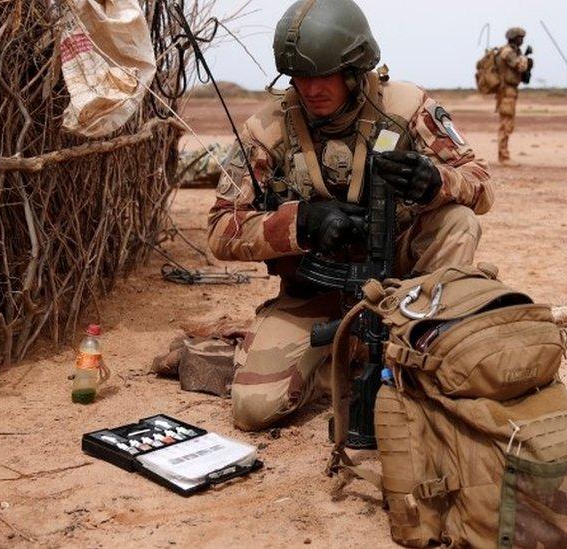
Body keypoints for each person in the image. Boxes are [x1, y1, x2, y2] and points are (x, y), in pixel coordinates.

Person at [206, 0, 494, 431]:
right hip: (315, 291)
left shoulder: (407, 107)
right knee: (253, 410)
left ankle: (431, 335)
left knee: (458, 221)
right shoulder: (267, 131)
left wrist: (438, 181)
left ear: (355, 69)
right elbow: (219, 230)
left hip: (405, 286)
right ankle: (343, 357)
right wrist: (301, 223)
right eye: (300, 78)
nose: (310, 89)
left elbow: (482, 184)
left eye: (323, 76)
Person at [495, 27, 532, 166]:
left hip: (509, 91)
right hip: (506, 92)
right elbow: (520, 66)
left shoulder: (511, 51)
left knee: (507, 122)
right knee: (506, 123)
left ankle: (503, 154)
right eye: (520, 38)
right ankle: (503, 157)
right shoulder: (508, 52)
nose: (522, 40)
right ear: (514, 38)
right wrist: (526, 60)